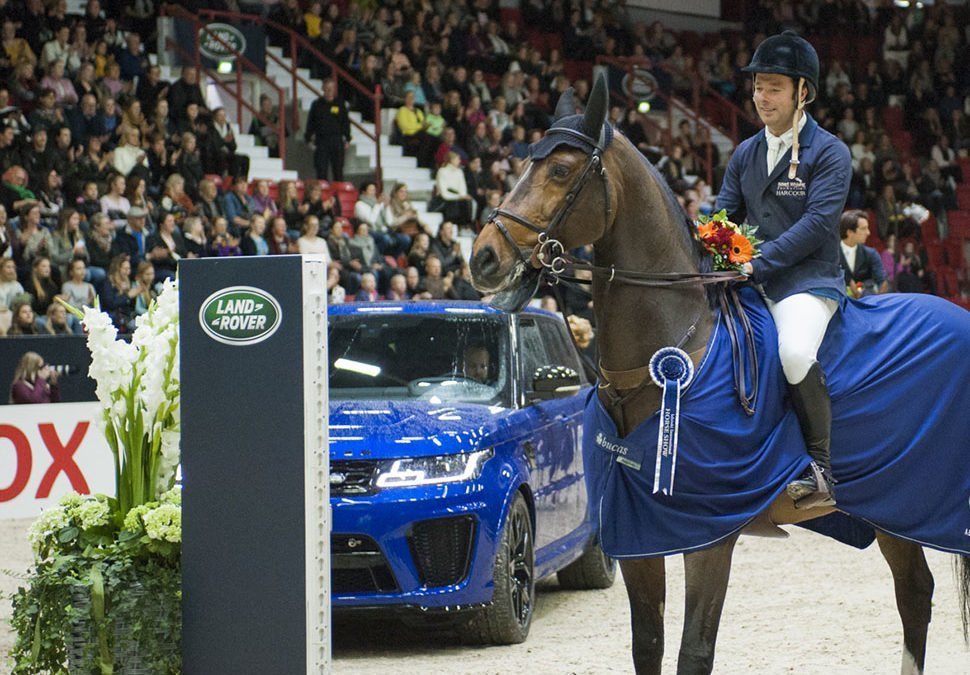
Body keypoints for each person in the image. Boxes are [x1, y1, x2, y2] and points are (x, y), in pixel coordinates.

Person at [715, 31, 851, 508]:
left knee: (793, 352)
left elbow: (816, 226)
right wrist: (709, 247)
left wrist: (758, 262)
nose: (762, 97)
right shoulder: (745, 153)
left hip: (807, 282)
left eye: (774, 87)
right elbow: (725, 217)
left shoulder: (829, 152)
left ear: (802, 92)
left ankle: (821, 469)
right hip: (754, 280)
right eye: (758, 87)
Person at [305, 79, 351, 181]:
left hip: (337, 140)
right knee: (321, 170)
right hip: (322, 141)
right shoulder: (316, 104)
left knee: (338, 171)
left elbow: (345, 122)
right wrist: (308, 139)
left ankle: (338, 191)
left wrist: (347, 139)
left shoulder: (340, 104)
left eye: (332, 88)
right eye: (327, 88)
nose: (329, 91)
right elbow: (310, 122)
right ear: (323, 89)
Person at [839, 210, 887, 298]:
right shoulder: (831, 254)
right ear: (849, 232)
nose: (868, 233)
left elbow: (882, 280)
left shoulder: (871, 253)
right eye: (863, 228)